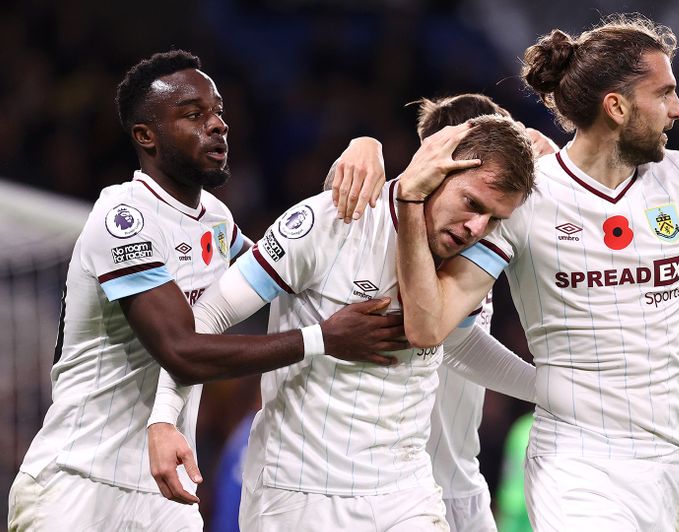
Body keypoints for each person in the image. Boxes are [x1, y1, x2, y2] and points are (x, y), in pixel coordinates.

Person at [393, 14, 679, 531]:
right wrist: (403, 194)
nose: (678, 110)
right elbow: (434, 327)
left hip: (670, 457)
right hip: (574, 460)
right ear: (615, 107)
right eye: (664, 94)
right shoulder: (532, 197)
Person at [7, 50, 401, 531]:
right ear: (146, 136)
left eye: (218, 112)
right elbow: (182, 350)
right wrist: (323, 339)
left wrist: (364, 147)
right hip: (79, 482)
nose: (218, 126)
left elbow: (292, 266)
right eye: (194, 115)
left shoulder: (215, 219)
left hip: (166, 490)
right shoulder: (123, 220)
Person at [147, 115, 537, 531]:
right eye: (472, 204)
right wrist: (164, 418)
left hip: (404, 491)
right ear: (437, 172)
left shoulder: (467, 259)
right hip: (299, 491)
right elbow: (209, 315)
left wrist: (557, 390)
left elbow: (458, 344)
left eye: (494, 218)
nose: (477, 228)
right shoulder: (335, 219)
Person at [326, 94, 555, 532]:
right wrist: (363, 145)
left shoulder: (479, 236)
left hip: (460, 485)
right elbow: (451, 344)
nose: (480, 221)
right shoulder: (386, 229)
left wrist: (558, 164)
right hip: (386, 493)